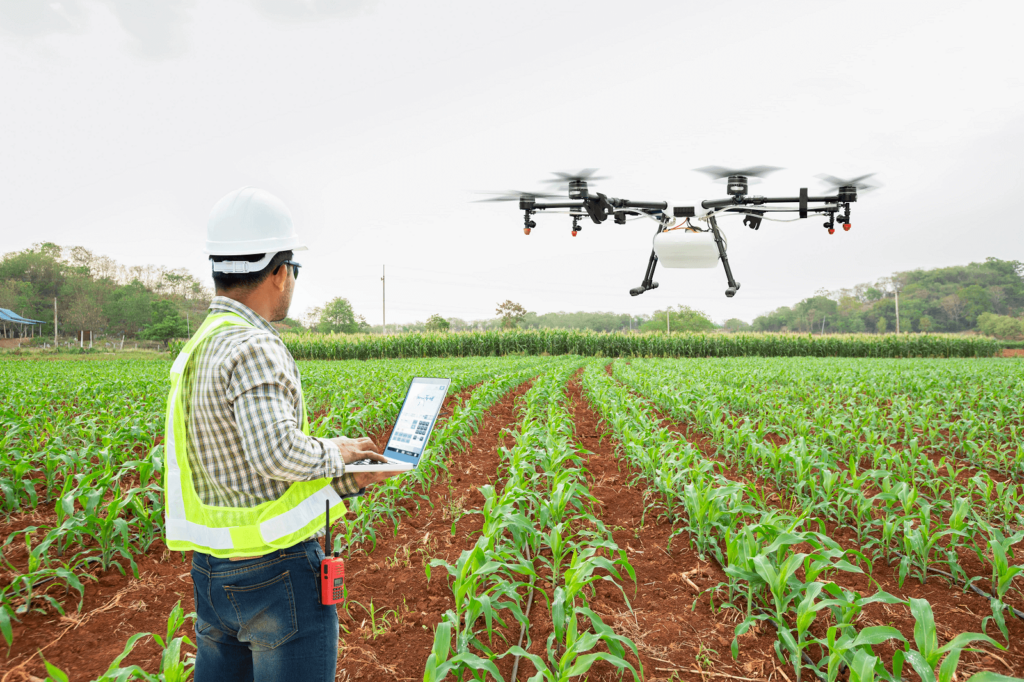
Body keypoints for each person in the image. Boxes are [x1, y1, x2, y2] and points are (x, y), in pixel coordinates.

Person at [163, 187, 396, 682]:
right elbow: (274, 454)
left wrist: (350, 480)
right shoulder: (252, 345)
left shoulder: (198, 348)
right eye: (293, 269)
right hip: (274, 579)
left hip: (212, 575)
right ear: (278, 271)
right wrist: (336, 452)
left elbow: (244, 475)